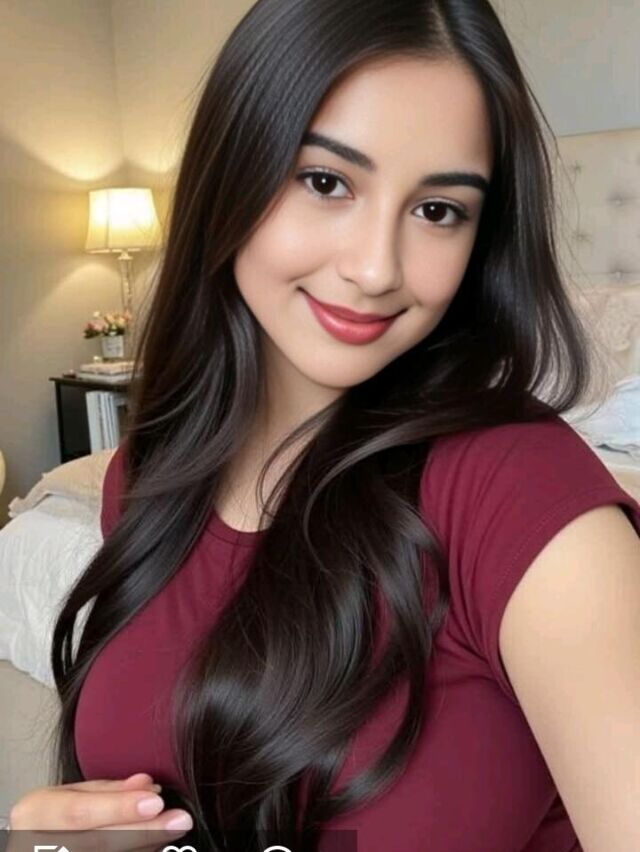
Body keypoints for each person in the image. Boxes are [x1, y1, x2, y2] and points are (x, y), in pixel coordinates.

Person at [7, 0, 640, 850]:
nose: (375, 269)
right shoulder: (150, 469)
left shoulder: (524, 497)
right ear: (232, 171)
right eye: (327, 181)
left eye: (438, 210)